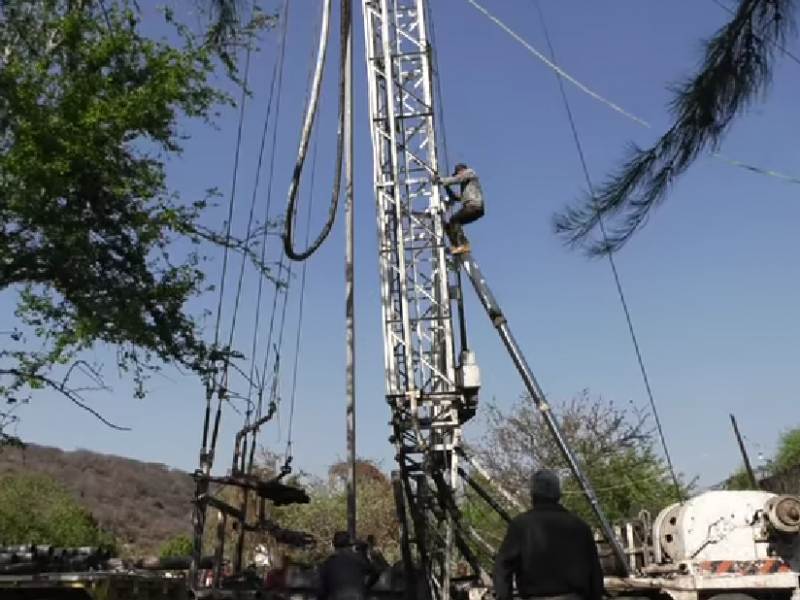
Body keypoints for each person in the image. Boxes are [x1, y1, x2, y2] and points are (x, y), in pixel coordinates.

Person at [493, 469, 605, 600]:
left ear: (533, 495)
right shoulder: (580, 526)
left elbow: (503, 567)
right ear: (558, 495)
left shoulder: (521, 525)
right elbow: (595, 573)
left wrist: (504, 596)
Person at [433, 163, 484, 255]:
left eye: (457, 173)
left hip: (474, 206)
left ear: (461, 171)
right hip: (472, 208)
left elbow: (458, 179)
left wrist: (442, 180)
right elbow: (456, 198)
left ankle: (464, 245)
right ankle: (456, 246)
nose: (457, 175)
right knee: (449, 225)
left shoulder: (470, 173)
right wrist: (446, 187)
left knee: (455, 219)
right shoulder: (466, 188)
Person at [317, 531, 380, 600]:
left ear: (333, 544)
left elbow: (322, 590)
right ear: (349, 544)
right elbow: (376, 571)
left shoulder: (328, 563)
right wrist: (366, 586)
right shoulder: (357, 559)